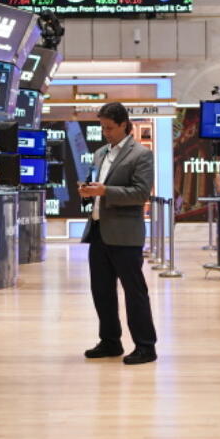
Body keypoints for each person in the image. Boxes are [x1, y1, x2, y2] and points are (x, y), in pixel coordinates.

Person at [78, 102, 158, 365]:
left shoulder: (141, 155)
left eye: (109, 128)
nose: (105, 133)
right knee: (101, 291)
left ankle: (146, 346)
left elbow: (140, 193)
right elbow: (100, 187)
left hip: (126, 235)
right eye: (102, 128)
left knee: (134, 292)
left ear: (124, 124)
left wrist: (105, 192)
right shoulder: (101, 153)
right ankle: (110, 341)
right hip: (99, 232)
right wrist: (89, 192)